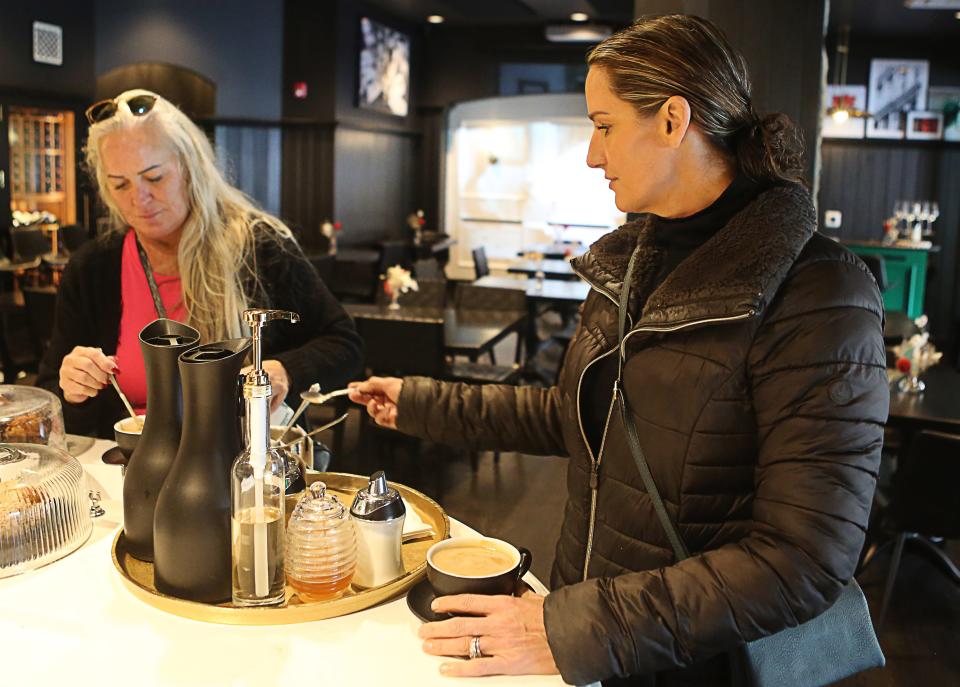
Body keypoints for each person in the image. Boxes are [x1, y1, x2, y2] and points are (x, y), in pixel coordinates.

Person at [348, 15, 889, 686]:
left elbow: (802, 559)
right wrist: (423, 402)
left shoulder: (818, 293)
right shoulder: (634, 262)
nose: (591, 155)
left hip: (698, 661)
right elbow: (577, 416)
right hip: (591, 633)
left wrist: (574, 627)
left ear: (672, 120)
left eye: (603, 126)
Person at [37, 89, 363, 438]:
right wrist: (73, 388)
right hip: (133, 470)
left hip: (244, 463)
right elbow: (51, 397)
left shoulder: (257, 247)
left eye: (154, 177)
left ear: (190, 167)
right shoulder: (92, 268)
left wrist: (283, 371)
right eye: (120, 184)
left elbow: (345, 344)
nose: (139, 198)